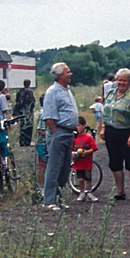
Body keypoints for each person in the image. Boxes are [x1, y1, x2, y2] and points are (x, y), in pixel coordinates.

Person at [101, 67, 130, 202]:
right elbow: (105, 112)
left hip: (126, 131)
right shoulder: (111, 93)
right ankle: (120, 191)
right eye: (119, 80)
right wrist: (102, 128)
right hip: (111, 131)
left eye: (124, 81)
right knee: (115, 162)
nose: (121, 83)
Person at [41, 62, 79, 209]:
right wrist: (55, 131)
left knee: (65, 167)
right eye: (68, 72)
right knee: (54, 166)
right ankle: (49, 201)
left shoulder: (67, 90)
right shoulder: (52, 92)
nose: (71, 74)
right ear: (60, 75)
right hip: (59, 132)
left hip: (68, 133)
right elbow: (49, 115)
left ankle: (59, 198)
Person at [72, 117, 99, 202]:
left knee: (88, 179)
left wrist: (87, 152)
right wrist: (73, 153)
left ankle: (90, 193)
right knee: (80, 179)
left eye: (79, 125)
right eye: (76, 126)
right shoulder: (74, 139)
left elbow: (94, 148)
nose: (77, 127)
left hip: (87, 163)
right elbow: (71, 149)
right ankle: (82, 193)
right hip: (78, 163)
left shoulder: (88, 137)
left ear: (84, 126)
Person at [15, 79, 36, 146]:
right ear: (29, 84)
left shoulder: (19, 91)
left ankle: (22, 141)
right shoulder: (30, 91)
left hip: (21, 112)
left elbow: (17, 101)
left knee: (22, 127)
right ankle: (27, 141)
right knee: (29, 127)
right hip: (28, 113)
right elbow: (32, 102)